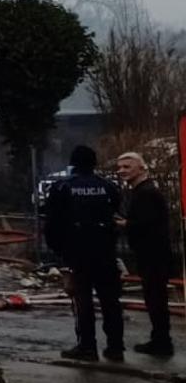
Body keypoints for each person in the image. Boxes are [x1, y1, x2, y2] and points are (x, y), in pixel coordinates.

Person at [42, 146, 123, 362]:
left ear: (73, 163)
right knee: (110, 300)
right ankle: (116, 347)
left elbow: (52, 223)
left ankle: (87, 346)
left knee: (82, 300)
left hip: (77, 251)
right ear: (94, 163)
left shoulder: (63, 187)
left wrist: (58, 250)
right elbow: (116, 211)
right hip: (105, 251)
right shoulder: (108, 186)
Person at [116, 152, 174, 358]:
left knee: (155, 298)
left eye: (127, 167)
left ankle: (161, 342)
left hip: (153, 254)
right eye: (120, 167)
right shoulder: (143, 191)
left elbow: (146, 224)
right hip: (152, 253)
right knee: (154, 298)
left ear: (141, 168)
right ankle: (160, 340)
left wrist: (125, 224)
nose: (121, 171)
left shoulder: (146, 193)